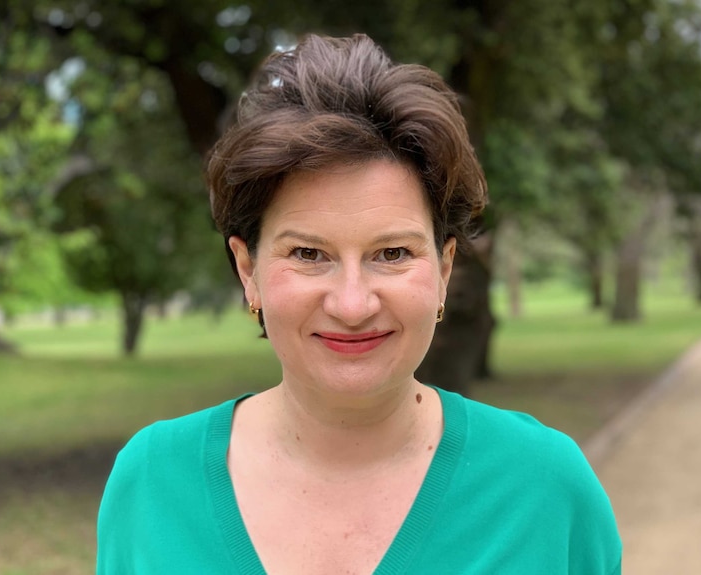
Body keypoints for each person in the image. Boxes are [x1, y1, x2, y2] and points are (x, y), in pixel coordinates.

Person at [96, 34, 621, 574]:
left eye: (391, 253)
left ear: (443, 270)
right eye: (308, 253)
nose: (352, 304)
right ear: (247, 270)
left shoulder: (545, 488)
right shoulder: (151, 482)